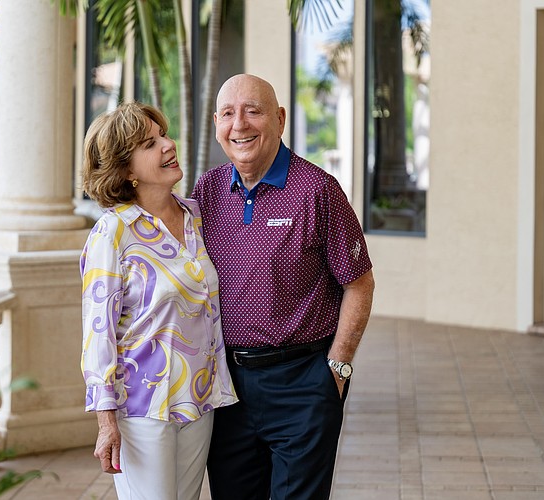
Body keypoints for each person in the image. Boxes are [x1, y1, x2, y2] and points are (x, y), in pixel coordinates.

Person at [192, 74, 375, 499]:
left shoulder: (318, 191)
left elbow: (360, 283)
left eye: (253, 111)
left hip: (303, 384)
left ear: (279, 119)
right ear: (216, 124)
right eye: (228, 114)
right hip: (227, 389)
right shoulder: (207, 191)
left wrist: (337, 370)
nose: (240, 124)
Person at [80, 101, 237, 499]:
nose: (168, 145)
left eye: (163, 135)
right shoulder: (112, 233)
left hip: (199, 400)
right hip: (141, 409)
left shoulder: (195, 216)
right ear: (126, 170)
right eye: (150, 144)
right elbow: (98, 333)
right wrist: (105, 419)